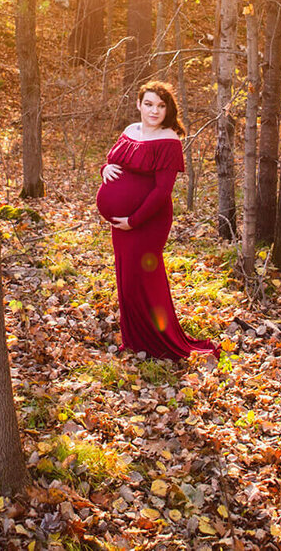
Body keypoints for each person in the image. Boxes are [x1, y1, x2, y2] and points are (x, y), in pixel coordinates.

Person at [95, 81, 215, 361]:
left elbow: (162, 191)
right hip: (121, 223)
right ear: (138, 105)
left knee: (142, 278)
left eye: (160, 106)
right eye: (148, 104)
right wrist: (105, 168)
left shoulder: (169, 139)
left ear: (167, 109)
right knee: (126, 277)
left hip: (146, 222)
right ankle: (134, 339)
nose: (154, 110)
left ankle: (157, 341)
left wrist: (133, 220)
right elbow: (115, 161)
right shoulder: (130, 131)